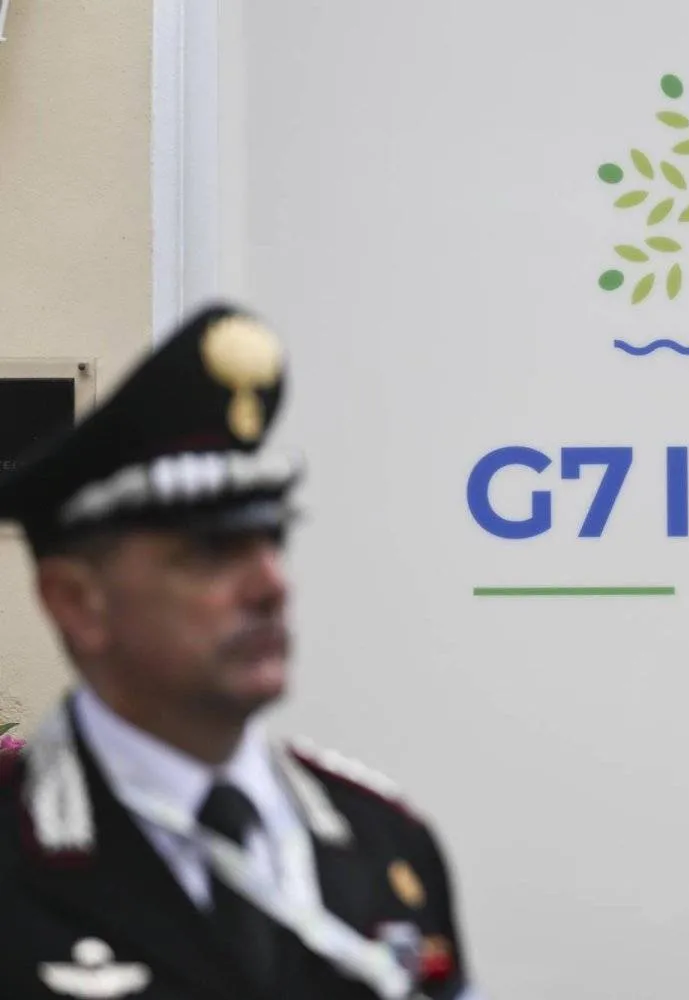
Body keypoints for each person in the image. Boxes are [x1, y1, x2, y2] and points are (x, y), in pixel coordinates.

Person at [0, 303, 485, 998]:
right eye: (210, 551)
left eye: (272, 541)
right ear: (78, 602)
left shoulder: (386, 845)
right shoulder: (18, 857)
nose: (271, 584)